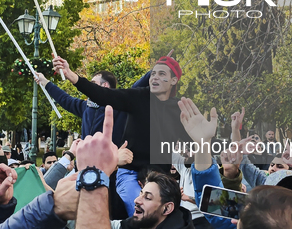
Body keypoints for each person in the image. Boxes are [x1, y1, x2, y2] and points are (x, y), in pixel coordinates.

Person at [53, 55, 193, 218]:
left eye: (162, 74)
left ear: (174, 81)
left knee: (165, 217)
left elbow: (192, 144)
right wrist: (71, 76)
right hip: (131, 173)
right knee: (140, 214)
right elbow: (103, 95)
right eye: (153, 73)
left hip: (160, 177)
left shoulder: (179, 109)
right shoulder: (138, 97)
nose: (155, 77)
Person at [35, 69, 149, 148]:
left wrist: (161, 65)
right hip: (86, 163)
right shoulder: (86, 107)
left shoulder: (122, 106)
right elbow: (65, 99)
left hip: (112, 165)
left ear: (105, 86)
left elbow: (139, 85)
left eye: (93, 83)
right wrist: (45, 82)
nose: (88, 87)